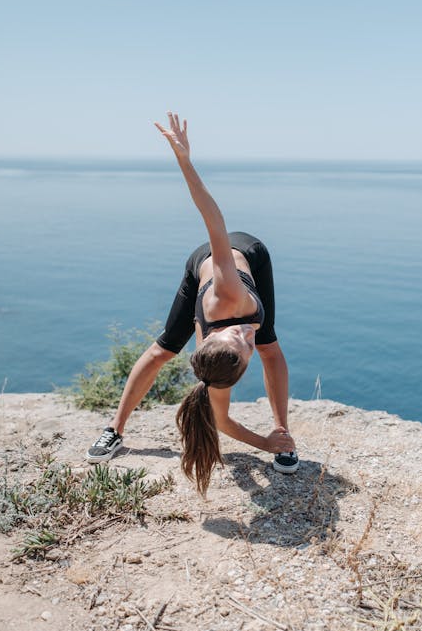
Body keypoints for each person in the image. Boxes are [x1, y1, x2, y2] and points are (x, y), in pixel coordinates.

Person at [86, 113, 298, 494]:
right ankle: (114, 429)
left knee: (272, 347)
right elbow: (223, 420)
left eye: (237, 337)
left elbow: (214, 221)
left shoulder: (228, 298)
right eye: (245, 344)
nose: (246, 334)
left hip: (244, 253)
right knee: (160, 351)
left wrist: (185, 160)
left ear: (211, 342)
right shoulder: (219, 339)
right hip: (201, 271)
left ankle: (283, 429)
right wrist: (263, 445)